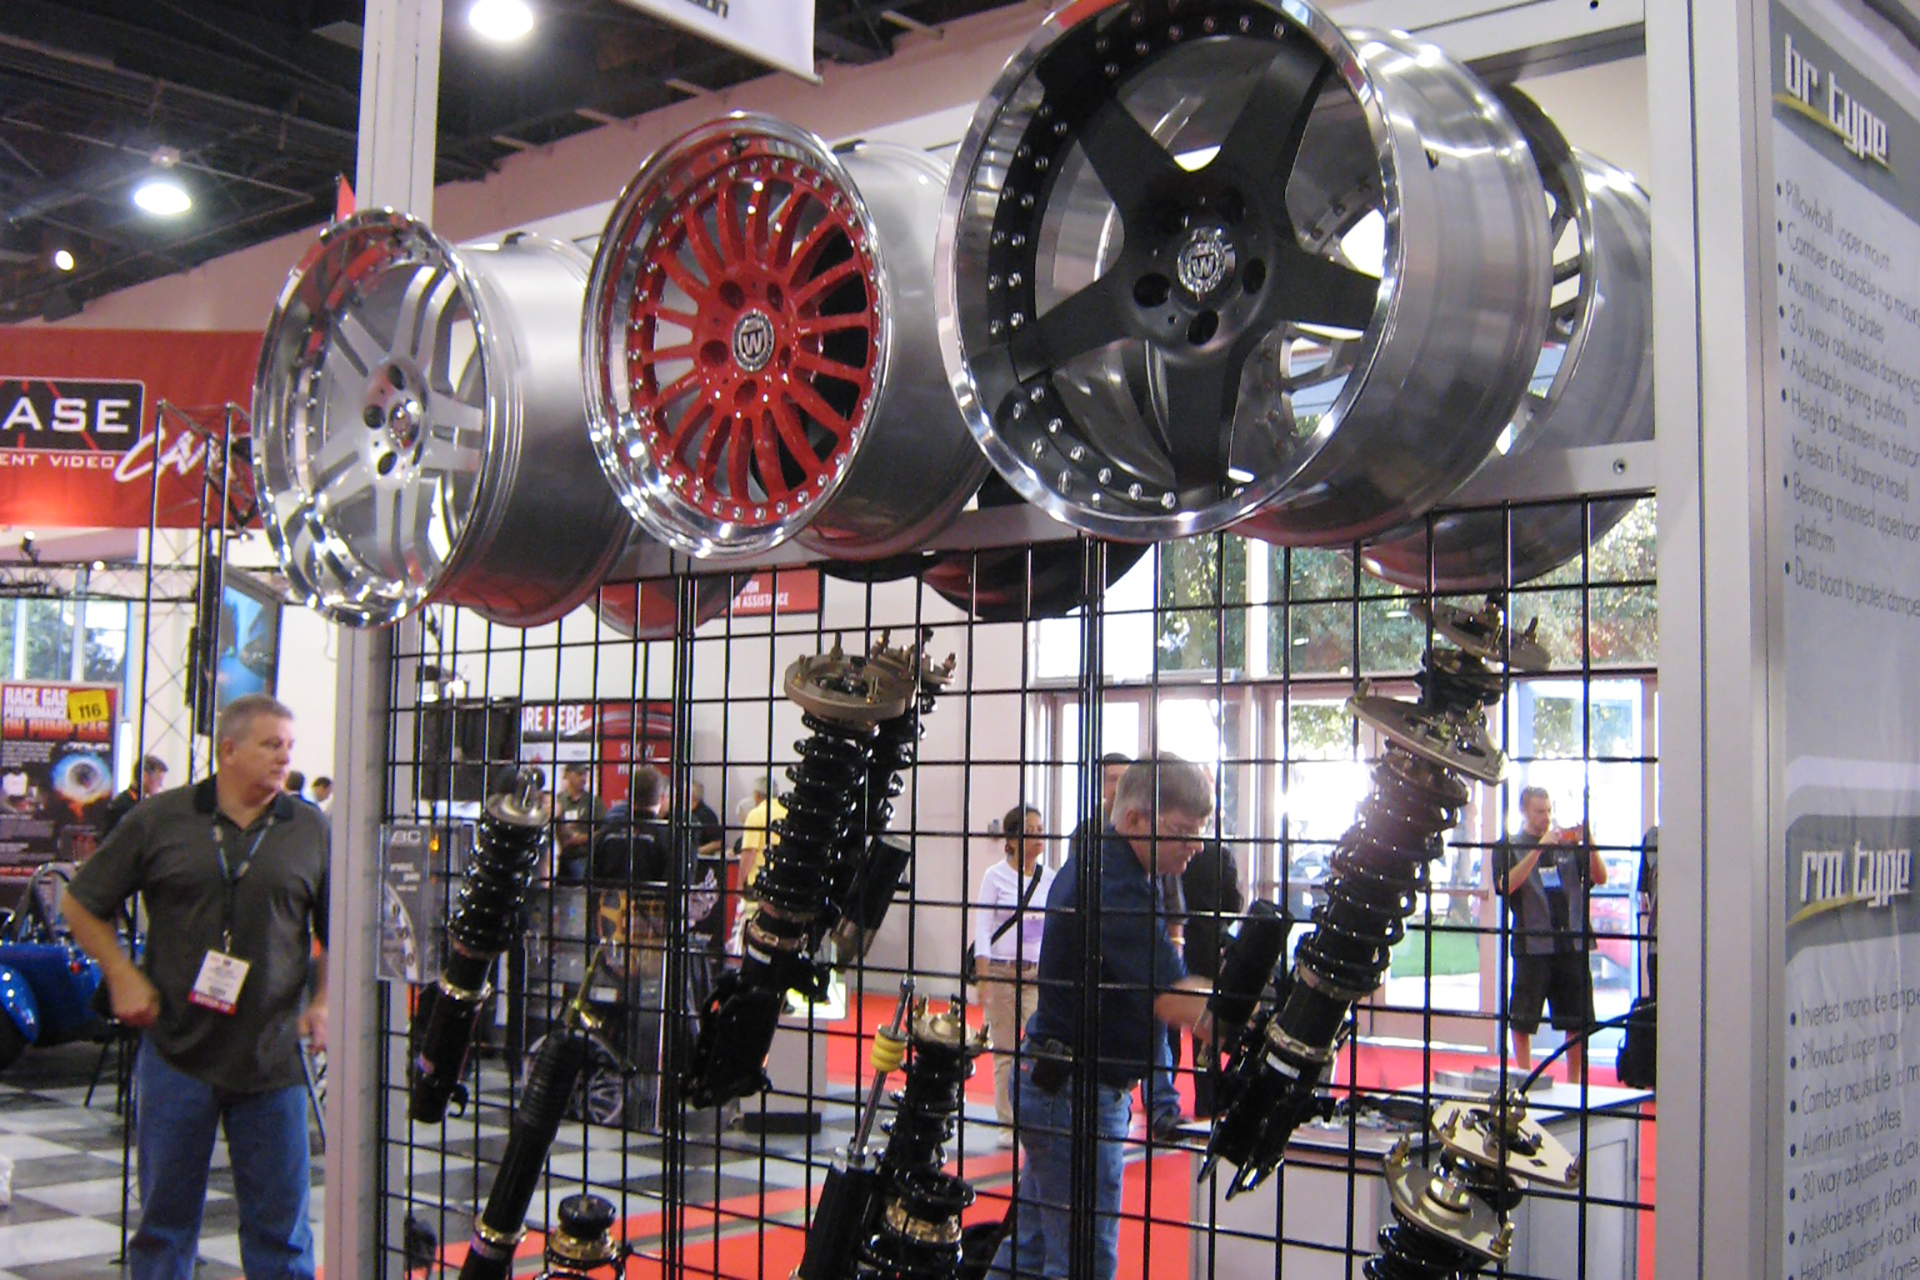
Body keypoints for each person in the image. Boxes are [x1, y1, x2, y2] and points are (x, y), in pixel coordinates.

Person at [61, 693, 328, 1280]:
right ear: (228, 750)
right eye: (271, 745)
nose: (284, 758)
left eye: (288, 746)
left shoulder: (309, 827)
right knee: (165, 1225)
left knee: (282, 1233)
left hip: (272, 1058)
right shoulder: (161, 818)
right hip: (176, 1052)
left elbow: (336, 930)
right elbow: (79, 903)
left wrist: (325, 1002)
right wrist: (122, 974)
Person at [991, 754, 1225, 1280]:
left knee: (1029, 1251)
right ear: (1135, 819)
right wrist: (1249, 1017)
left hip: (1061, 1084)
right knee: (1082, 1262)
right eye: (1184, 831)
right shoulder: (1114, 886)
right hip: (1075, 1094)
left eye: (1201, 830)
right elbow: (1172, 999)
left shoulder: (1106, 859)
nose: (1196, 845)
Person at [1496, 785, 1607, 1082]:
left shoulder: (1566, 844)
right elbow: (1505, 885)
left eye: (1548, 810)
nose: (1545, 817)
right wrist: (1538, 849)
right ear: (1524, 811)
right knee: (1523, 1018)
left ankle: (1574, 1082)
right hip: (1532, 944)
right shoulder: (1510, 845)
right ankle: (1524, 1078)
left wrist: (1589, 841)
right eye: (1538, 811)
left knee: (1576, 1018)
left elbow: (1600, 877)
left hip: (1571, 943)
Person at [972, 803, 1054, 1146]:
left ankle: (1035, 1115)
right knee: (1005, 1050)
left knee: (1038, 1046)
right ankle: (1007, 1122)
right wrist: (984, 977)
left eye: (1040, 831)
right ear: (1012, 839)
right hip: (1002, 971)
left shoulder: (1050, 878)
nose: (1038, 838)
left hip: (1036, 974)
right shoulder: (995, 876)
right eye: (1030, 832)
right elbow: (982, 926)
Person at [1180, 836, 1245, 1117]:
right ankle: (1207, 1098)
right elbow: (1234, 902)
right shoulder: (1220, 854)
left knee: (1165, 1026)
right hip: (1208, 943)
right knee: (1205, 1025)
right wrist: (1220, 925)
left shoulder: (1172, 850)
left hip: (1174, 940)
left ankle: (1159, 1096)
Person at [730, 775, 786, 954]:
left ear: (756, 794)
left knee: (753, 928)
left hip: (759, 883)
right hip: (783, 881)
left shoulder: (757, 814)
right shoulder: (788, 812)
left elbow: (749, 852)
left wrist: (740, 883)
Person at [552, 761, 604, 883]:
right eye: (579, 774)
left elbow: (602, 831)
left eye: (585, 775)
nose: (583, 779)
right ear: (568, 775)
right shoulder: (558, 800)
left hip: (582, 857)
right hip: (560, 856)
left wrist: (583, 838)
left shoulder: (594, 802)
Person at [103, 754, 168, 837]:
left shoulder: (141, 803)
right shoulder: (122, 806)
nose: (160, 785)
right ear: (144, 776)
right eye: (159, 779)